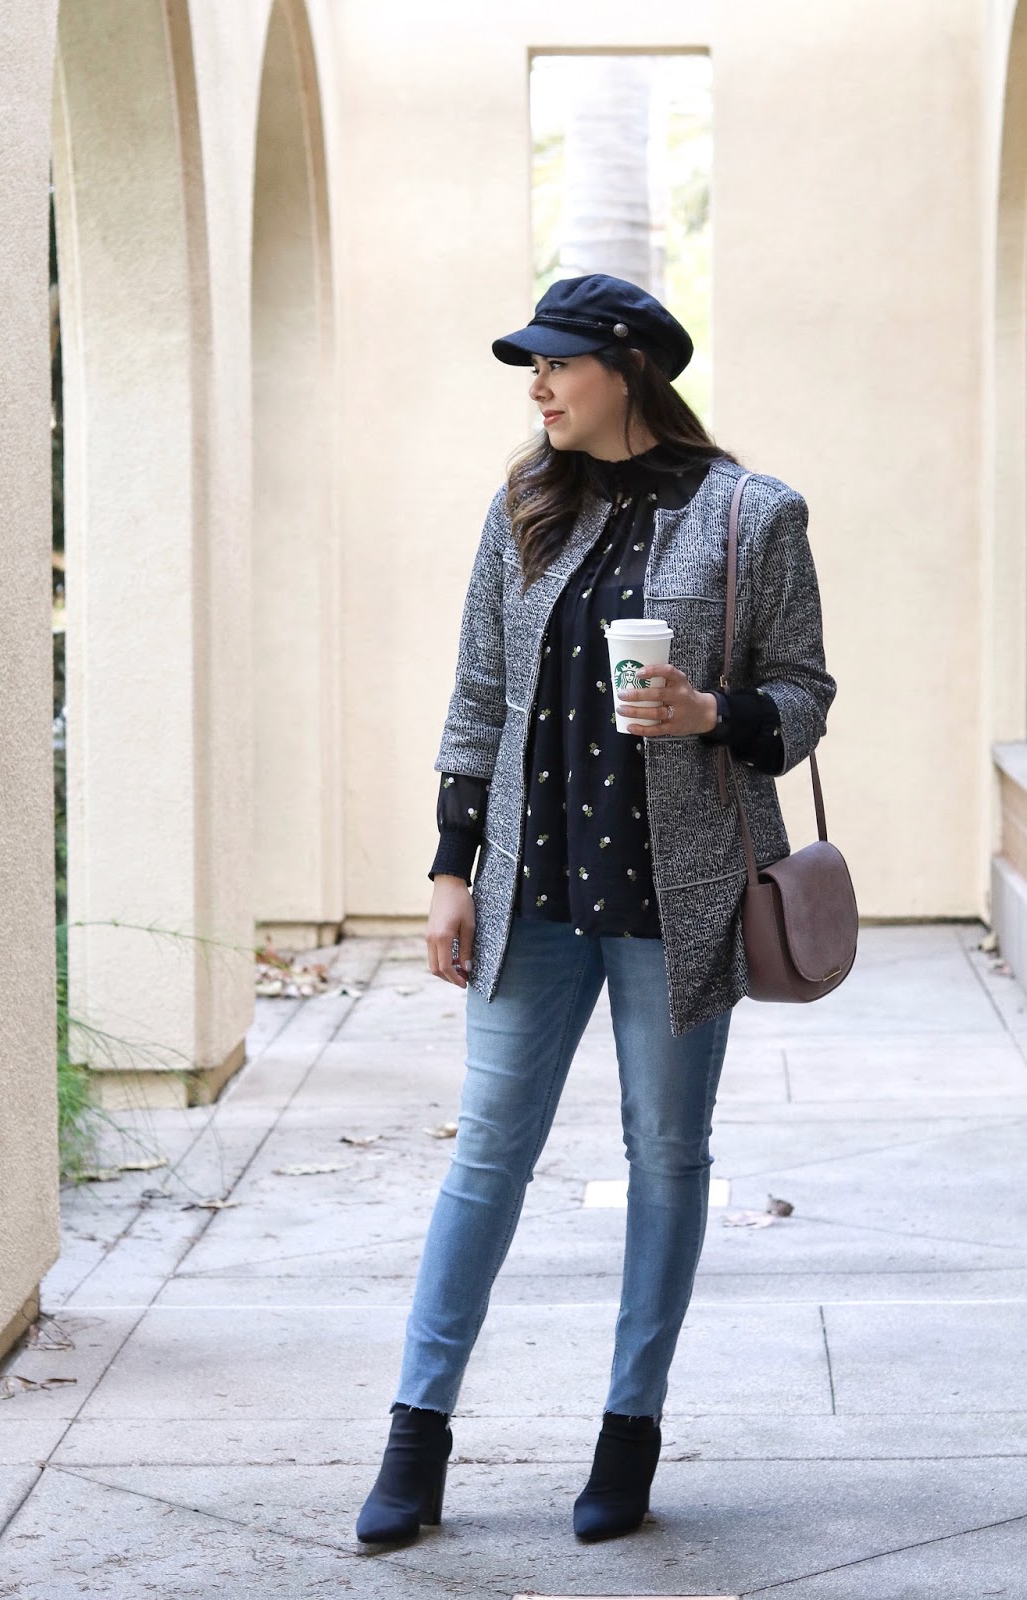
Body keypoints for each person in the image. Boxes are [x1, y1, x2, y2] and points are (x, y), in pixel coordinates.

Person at [355, 274, 836, 1547]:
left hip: (678, 899)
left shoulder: (750, 514)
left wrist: (710, 713)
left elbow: (801, 694)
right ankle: (414, 1435)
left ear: (627, 368)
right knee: (485, 1156)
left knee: (665, 1155)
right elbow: (477, 696)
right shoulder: (524, 504)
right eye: (531, 366)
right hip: (532, 891)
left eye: (556, 362)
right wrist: (450, 868)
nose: (537, 386)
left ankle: (628, 1430)